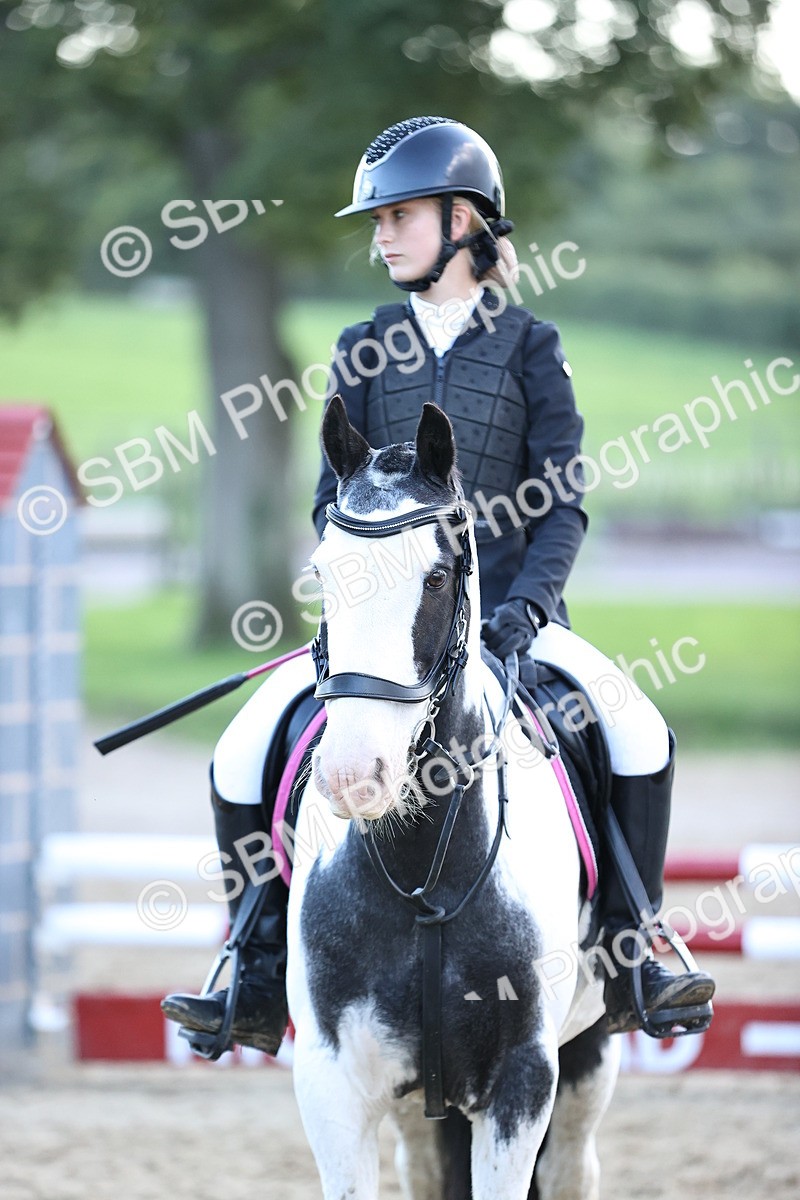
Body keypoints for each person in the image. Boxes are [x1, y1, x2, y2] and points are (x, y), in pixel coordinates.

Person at [162, 116, 715, 1051]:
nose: (381, 235)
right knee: (241, 747)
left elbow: (564, 508)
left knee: (638, 730)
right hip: (386, 636)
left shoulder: (533, 347)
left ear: (464, 220)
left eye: (400, 215)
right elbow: (329, 506)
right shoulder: (361, 345)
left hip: (514, 621)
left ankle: (633, 950)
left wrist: (524, 612)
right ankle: (250, 967)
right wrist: (363, 607)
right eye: (376, 220)